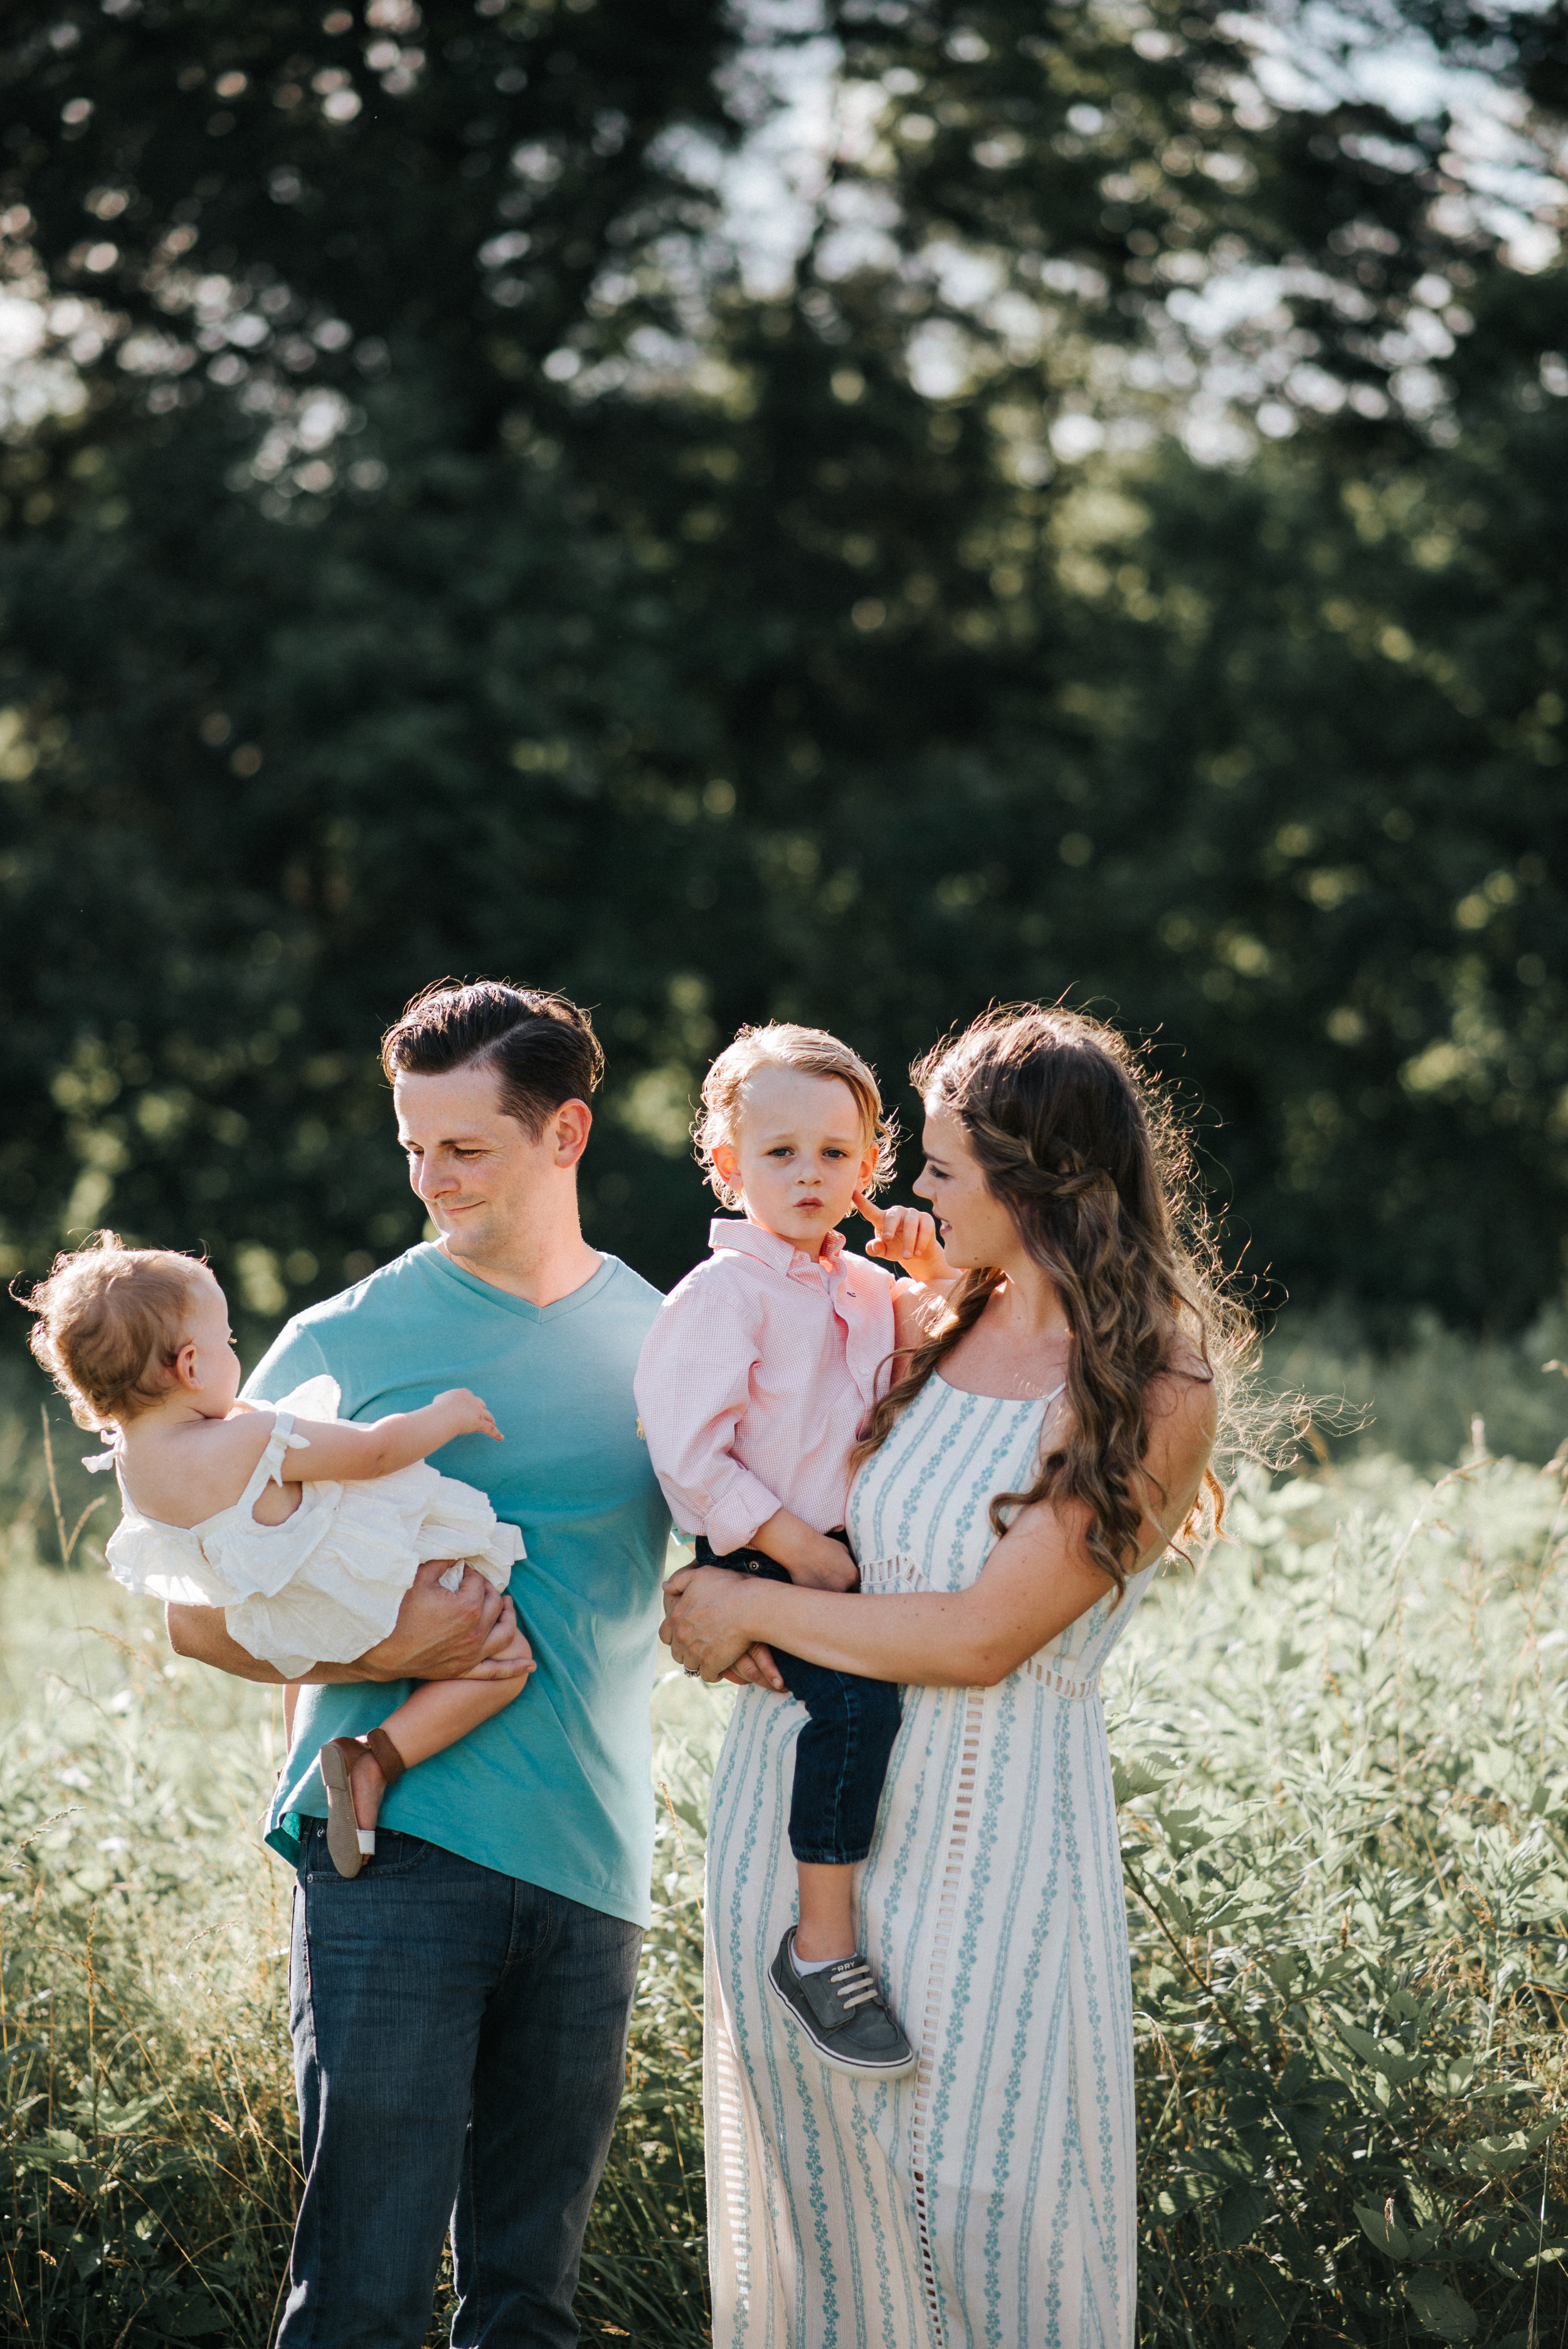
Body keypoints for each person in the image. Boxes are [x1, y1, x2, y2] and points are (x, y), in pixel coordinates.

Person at [661, 1004, 1234, 2349]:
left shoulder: (1148, 1382)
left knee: (998, 2228)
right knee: (828, 2235)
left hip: (997, 1846)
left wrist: (744, 1601)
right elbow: (774, 1469)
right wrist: (737, 1596)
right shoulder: (920, 1324)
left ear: (1033, 1184)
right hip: (800, 1837)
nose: (905, 1189)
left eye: (938, 1167)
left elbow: (983, 1634)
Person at [158, 980, 670, 2349]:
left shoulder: (669, 1337)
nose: (431, 1180)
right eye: (412, 1148)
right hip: (389, 1853)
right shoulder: (338, 1345)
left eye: (466, 1149)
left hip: (593, 1860)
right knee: (363, 2297)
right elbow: (187, 1613)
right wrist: (396, 1647)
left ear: (565, 1134)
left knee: (528, 2305)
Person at [634, 1023, 946, 2080]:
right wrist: (787, 1545)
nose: (809, 1174)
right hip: (767, 1549)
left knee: (896, 1710)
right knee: (855, 1708)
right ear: (727, 1168)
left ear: (870, 1168)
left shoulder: (867, 1289)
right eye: (778, 1154)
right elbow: (687, 1452)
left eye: (834, 1153)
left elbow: (941, 1356)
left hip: (847, 1550)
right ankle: (820, 1948)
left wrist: (931, 1267)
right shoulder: (722, 1295)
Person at [21, 1233, 527, 1879]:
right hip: (370, 1594)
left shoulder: (133, 1466)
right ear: (190, 1366)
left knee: (301, 1671)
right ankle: (374, 1758)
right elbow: (374, 1451)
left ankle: (300, 1764)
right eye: (227, 1342)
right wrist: (445, 1414)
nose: (237, 1353)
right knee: (504, 1663)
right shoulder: (247, 1438)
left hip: (282, 1621)